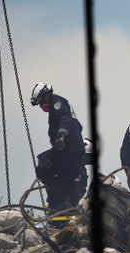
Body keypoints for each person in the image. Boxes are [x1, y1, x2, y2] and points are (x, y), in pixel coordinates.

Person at [30, 82, 86, 214]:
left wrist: (61, 135)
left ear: (47, 95)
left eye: (41, 101)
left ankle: (57, 203)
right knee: (65, 178)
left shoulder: (57, 103)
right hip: (74, 150)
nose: (41, 106)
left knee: (43, 167)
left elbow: (64, 119)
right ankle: (70, 206)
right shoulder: (60, 103)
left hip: (67, 148)